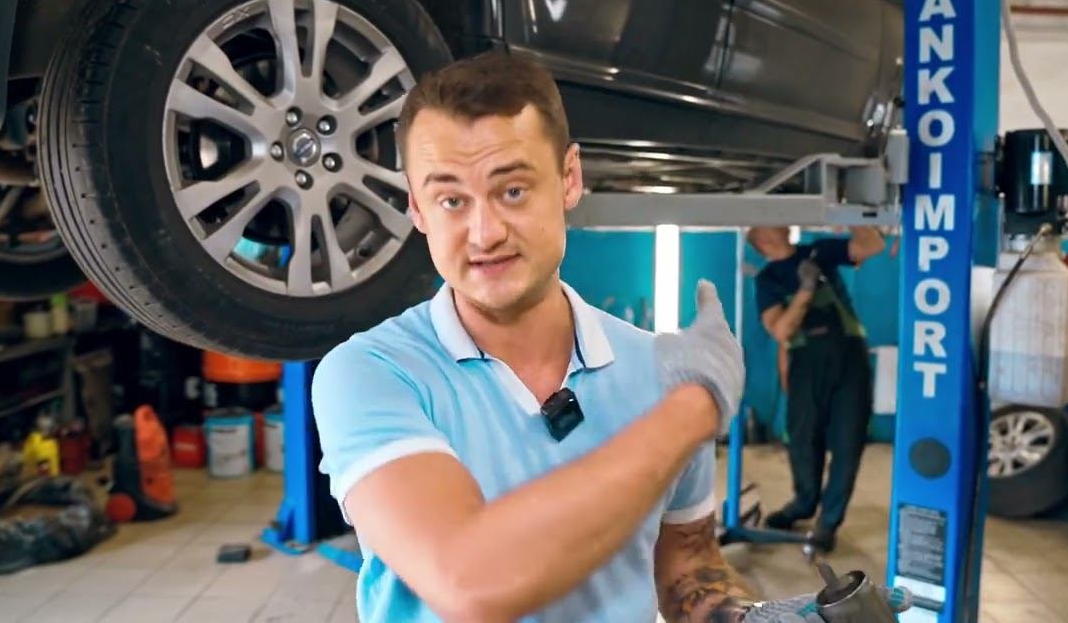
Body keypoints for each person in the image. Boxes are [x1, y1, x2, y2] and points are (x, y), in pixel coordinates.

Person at [312, 52, 833, 623]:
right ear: (416, 207)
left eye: (513, 190)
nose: (484, 233)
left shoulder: (660, 371)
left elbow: (685, 565)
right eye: (452, 201)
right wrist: (693, 408)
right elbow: (468, 581)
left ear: (569, 178)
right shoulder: (371, 373)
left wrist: (746, 619)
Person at [748, 225, 889, 552]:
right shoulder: (767, 279)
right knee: (803, 437)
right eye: (768, 219)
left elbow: (873, 245)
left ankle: (828, 522)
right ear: (762, 240)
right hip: (805, 359)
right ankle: (803, 503)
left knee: (849, 441)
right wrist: (806, 290)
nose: (780, 218)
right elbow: (781, 329)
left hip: (849, 355)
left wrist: (853, 215)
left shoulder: (819, 251)